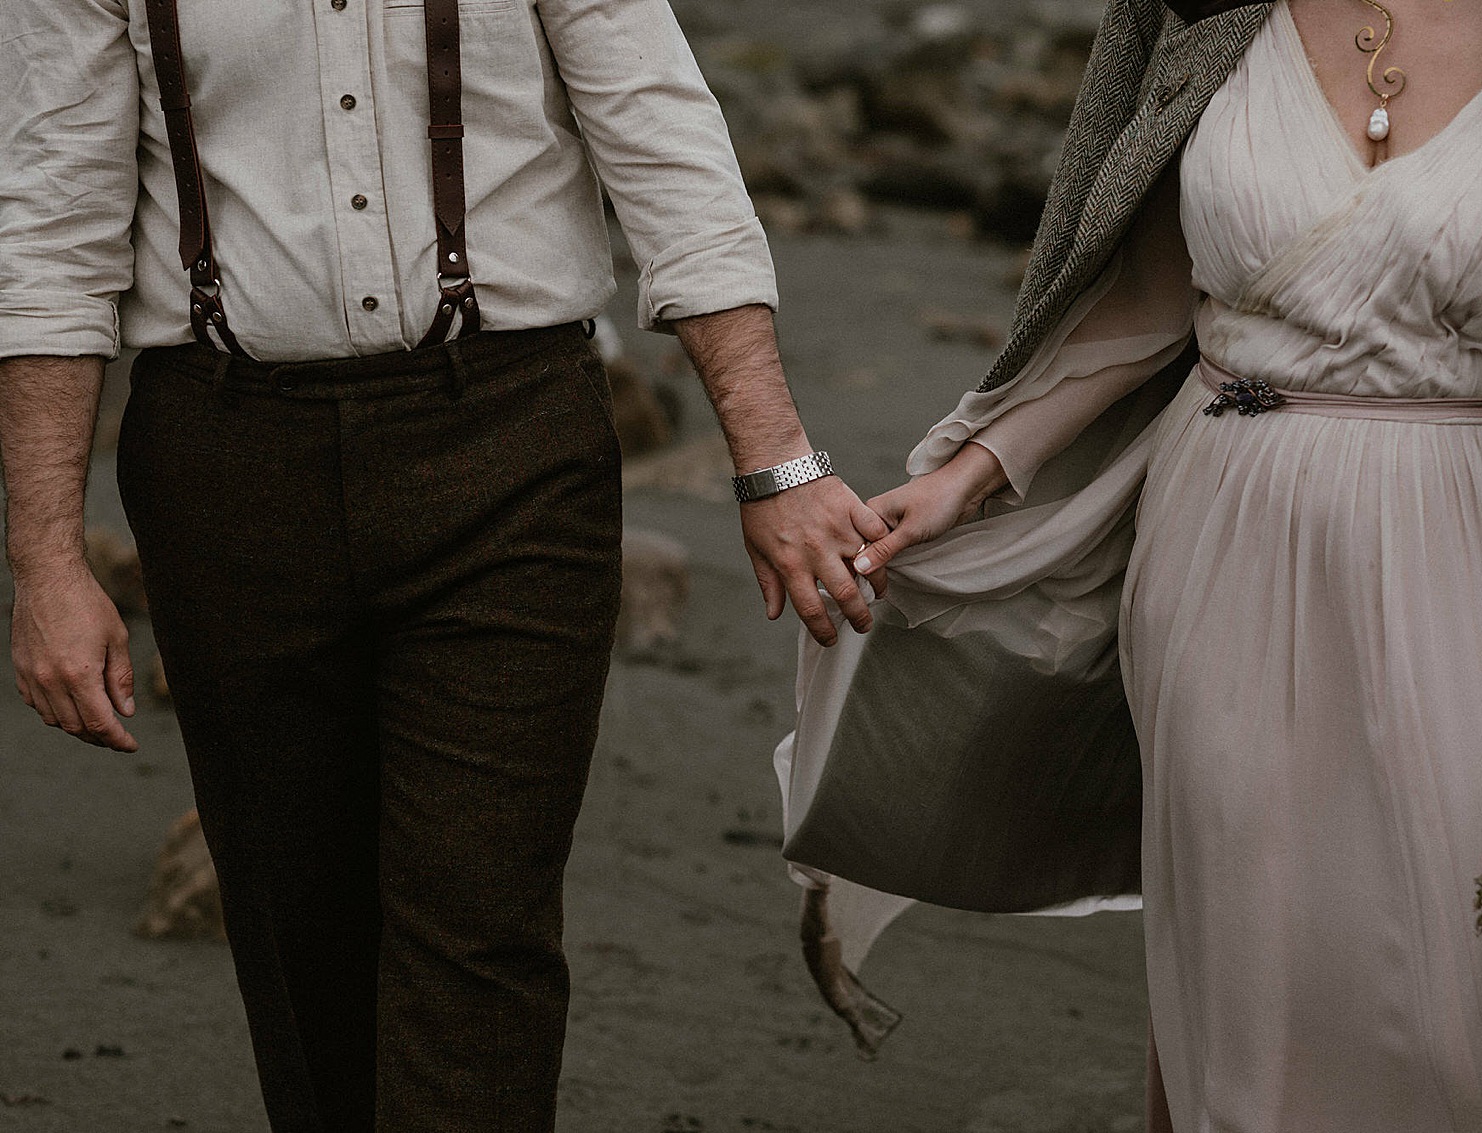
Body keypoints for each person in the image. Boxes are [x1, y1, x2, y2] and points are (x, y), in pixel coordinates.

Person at [782, 0, 1482, 1128]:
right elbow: (1147, 291)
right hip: (1225, 552)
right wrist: (969, 471)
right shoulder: (1198, 8)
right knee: (1257, 973)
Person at [0, 2, 887, 1130]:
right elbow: (50, 224)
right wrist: (44, 556)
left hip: (509, 448)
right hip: (225, 466)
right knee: (297, 932)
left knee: (481, 930)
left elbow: (663, 142)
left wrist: (774, 460)